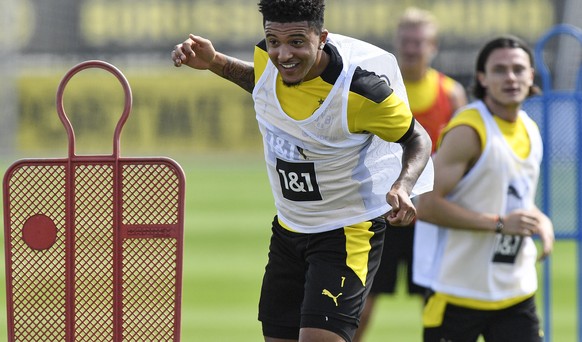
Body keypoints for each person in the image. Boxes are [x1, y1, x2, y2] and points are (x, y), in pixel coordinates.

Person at [171, 1, 434, 341]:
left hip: (346, 231)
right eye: (273, 41)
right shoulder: (270, 60)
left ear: (321, 37)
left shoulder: (360, 91)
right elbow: (263, 83)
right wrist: (215, 62)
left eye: (297, 42)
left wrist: (403, 184)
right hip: (288, 229)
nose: (283, 54)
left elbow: (417, 137)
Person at [412, 35, 555, 342]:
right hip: (456, 293)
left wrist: (538, 218)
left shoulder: (530, 127)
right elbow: (427, 206)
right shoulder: (469, 130)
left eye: (519, 69)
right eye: (500, 69)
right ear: (482, 78)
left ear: (532, 75)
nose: (511, 77)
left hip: (516, 292)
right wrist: (501, 224)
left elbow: (513, 198)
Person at [354, 8, 467, 341]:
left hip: (429, 218)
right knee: (360, 303)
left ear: (433, 46)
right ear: (396, 43)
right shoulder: (378, 87)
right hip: (381, 211)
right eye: (406, 40)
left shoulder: (451, 94)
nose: (412, 48)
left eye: (420, 41)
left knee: (434, 303)